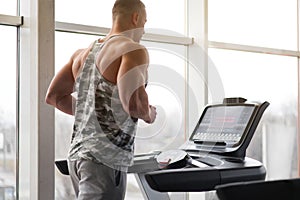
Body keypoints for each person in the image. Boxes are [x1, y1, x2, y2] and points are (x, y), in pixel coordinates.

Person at [45, 0, 157, 199]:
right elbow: (133, 104)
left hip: (77, 157)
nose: (144, 32)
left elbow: (54, 97)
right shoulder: (133, 50)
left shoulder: (82, 54)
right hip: (103, 160)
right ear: (135, 18)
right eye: (144, 23)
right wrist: (149, 114)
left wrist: (94, 110)